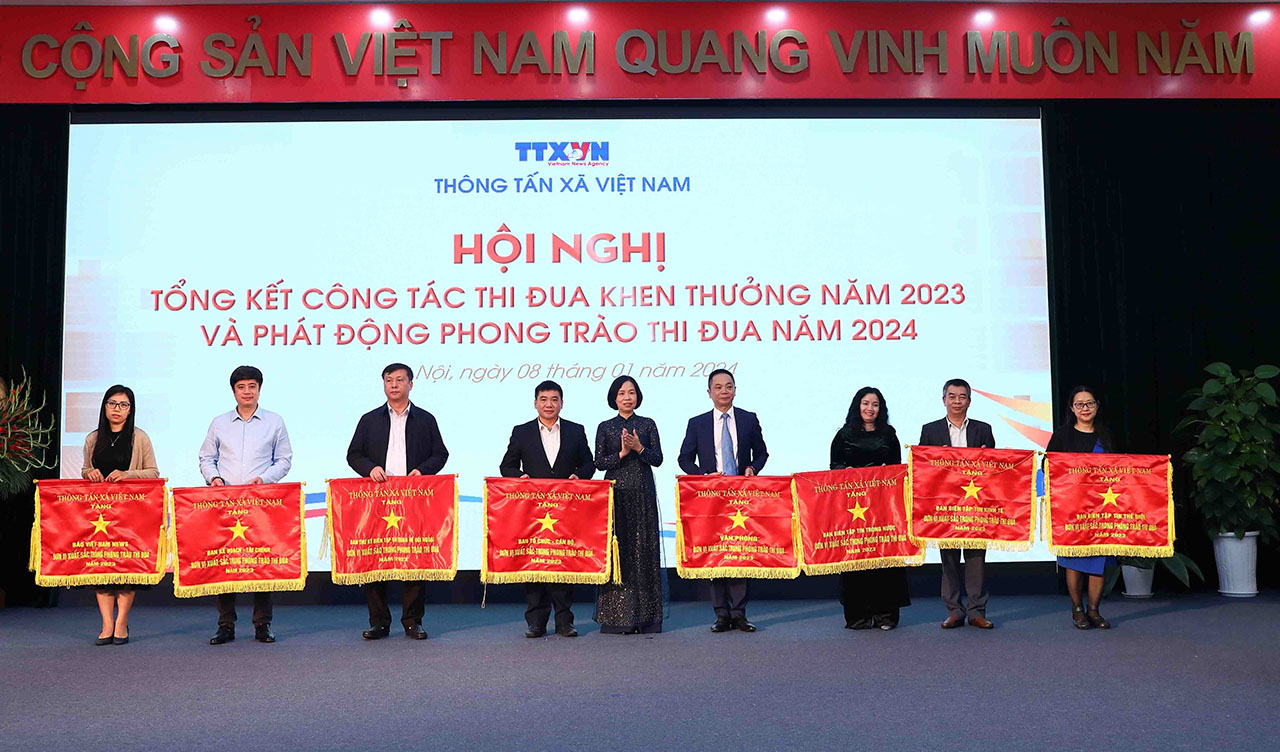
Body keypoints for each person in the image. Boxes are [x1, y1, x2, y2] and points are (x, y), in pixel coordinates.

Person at [346, 363, 449, 640]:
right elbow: (353, 454)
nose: (394, 385)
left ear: (410, 384)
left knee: (414, 557)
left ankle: (413, 621)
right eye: (389, 380)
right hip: (377, 499)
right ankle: (379, 622)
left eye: (400, 380)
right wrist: (369, 468)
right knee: (375, 558)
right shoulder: (369, 419)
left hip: (413, 499)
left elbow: (440, 454)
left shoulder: (425, 419)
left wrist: (422, 471)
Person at [198, 365, 293, 645]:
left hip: (260, 503)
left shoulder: (274, 421)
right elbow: (206, 457)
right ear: (233, 391)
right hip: (225, 503)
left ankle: (263, 624)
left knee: (261, 561)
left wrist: (265, 479)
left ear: (259, 389)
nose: (247, 391)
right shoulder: (219, 423)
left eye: (252, 386)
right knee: (225, 562)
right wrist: (213, 478)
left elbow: (284, 460)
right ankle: (225, 625)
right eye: (241, 387)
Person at [499, 380, 595, 638]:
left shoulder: (576, 430)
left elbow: (589, 464)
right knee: (536, 564)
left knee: (563, 563)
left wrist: (578, 476)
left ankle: (565, 621)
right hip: (533, 512)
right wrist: (520, 477)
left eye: (554, 399)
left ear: (562, 403)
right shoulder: (522, 432)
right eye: (543, 399)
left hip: (566, 509)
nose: (549, 404)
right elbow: (506, 466)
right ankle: (536, 622)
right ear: (535, 403)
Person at [677, 368, 769, 633]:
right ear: (709, 393)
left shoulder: (749, 419)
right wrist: (703, 476)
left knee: (740, 553)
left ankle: (739, 614)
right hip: (711, 499)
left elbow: (762, 453)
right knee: (716, 555)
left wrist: (752, 467)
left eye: (729, 386)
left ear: (735, 390)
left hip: (741, 498)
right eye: (718, 387)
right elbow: (684, 459)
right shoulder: (697, 423)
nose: (724, 391)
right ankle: (721, 614)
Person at [79, 385, 159, 645]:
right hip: (100, 514)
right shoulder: (93, 438)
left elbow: (153, 472)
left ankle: (122, 622)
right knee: (102, 568)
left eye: (123, 405)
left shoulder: (140, 437)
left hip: (130, 514)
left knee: (126, 569)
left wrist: (128, 474)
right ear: (104, 406)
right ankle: (106, 624)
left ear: (130, 410)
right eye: (112, 403)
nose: (117, 409)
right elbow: (85, 469)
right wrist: (88, 472)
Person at [918, 378, 997, 630]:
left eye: (962, 397)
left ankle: (977, 611)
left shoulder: (983, 429)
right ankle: (954, 611)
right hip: (946, 507)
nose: (957, 401)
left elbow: (994, 471)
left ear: (969, 401)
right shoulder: (930, 431)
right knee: (949, 560)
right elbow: (922, 469)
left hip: (975, 506)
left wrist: (987, 457)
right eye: (952, 396)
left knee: (976, 560)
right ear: (944, 400)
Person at [829, 386, 910, 630]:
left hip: (884, 507)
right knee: (856, 559)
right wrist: (845, 473)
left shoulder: (889, 434)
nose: (870, 409)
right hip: (852, 509)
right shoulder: (843, 435)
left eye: (875, 404)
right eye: (865, 403)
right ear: (857, 406)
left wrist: (887, 471)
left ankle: (886, 615)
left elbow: (898, 468)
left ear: (881, 409)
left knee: (884, 558)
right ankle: (858, 616)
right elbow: (833, 468)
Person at [593, 376, 665, 634]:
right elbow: (598, 462)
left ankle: (646, 618)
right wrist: (622, 453)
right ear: (614, 398)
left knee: (643, 551)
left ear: (638, 396)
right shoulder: (605, 426)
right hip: (616, 494)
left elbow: (658, 459)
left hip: (643, 493)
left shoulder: (647, 424)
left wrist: (639, 448)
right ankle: (617, 618)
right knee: (619, 552)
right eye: (622, 393)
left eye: (631, 392)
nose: (627, 397)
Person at [1047, 385, 1116, 630]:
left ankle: (1094, 610)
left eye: (1089, 403)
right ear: (1072, 408)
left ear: (1097, 406)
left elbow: (1121, 468)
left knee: (1098, 560)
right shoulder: (1062, 436)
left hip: (1101, 509)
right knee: (1074, 559)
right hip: (1071, 509)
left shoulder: (1106, 435)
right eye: (1079, 404)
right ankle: (1077, 609)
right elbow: (1048, 467)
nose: (1085, 408)